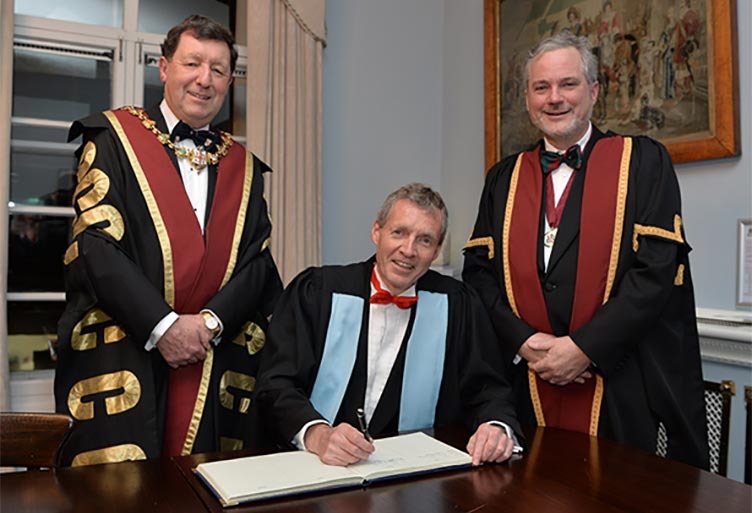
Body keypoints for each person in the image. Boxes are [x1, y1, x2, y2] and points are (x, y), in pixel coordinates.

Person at [463, 32, 709, 469]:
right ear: (527, 98)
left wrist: (583, 348)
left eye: (568, 84)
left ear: (594, 91)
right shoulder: (503, 178)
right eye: (542, 87)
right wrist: (528, 343)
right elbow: (479, 275)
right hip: (527, 387)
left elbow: (655, 272)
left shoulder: (643, 161)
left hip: (622, 387)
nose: (554, 98)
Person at [54, 15, 283, 466]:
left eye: (218, 70)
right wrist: (164, 327)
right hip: (125, 353)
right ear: (163, 68)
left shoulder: (246, 167)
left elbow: (258, 264)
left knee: (208, 489)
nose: (205, 79)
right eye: (192, 63)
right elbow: (95, 249)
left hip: (213, 358)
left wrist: (210, 323)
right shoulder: (112, 140)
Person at [254, 183, 523, 466]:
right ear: (376, 232)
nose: (409, 250)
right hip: (311, 468)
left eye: (425, 240)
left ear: (437, 251)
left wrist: (496, 428)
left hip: (413, 477)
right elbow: (275, 385)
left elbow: (488, 390)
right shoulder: (317, 292)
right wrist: (318, 435)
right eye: (399, 232)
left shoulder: (458, 305)